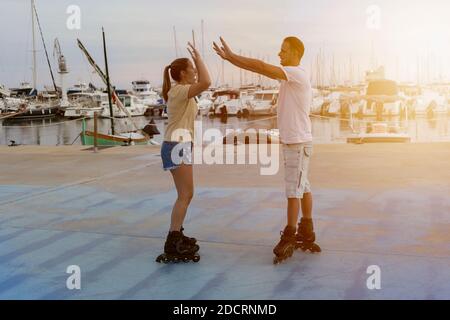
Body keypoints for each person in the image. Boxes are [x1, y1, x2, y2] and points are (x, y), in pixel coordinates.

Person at [214, 36, 321, 264]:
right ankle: (307, 230)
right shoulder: (290, 78)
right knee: (302, 186)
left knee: (293, 190)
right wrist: (232, 60)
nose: (279, 55)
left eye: (283, 51)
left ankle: (291, 234)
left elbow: (262, 67)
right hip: (296, 142)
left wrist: (232, 56)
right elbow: (260, 70)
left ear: (295, 53)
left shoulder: (297, 74)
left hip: (297, 142)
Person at [156, 43, 211, 264]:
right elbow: (207, 82)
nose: (195, 71)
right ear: (182, 73)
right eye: (192, 68)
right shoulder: (178, 90)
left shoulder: (180, 91)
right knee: (185, 195)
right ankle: (172, 240)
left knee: (187, 194)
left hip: (180, 145)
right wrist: (199, 58)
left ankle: (176, 233)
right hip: (176, 147)